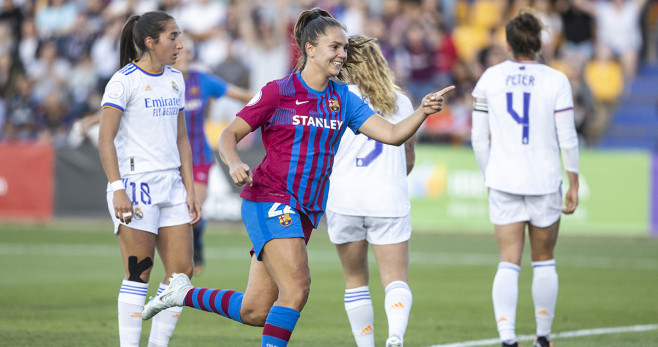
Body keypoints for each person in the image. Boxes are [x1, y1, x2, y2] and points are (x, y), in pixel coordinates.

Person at [141, 8, 453, 347]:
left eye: (345, 48)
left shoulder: (343, 99)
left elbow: (392, 134)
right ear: (310, 49)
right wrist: (233, 163)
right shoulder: (278, 92)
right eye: (335, 47)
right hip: (270, 199)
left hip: (305, 210)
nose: (342, 54)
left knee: (256, 310)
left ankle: (181, 293)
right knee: (297, 288)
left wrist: (422, 111)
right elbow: (228, 135)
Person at [470, 11, 579, 347]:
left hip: (504, 180)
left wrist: (489, 175)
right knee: (544, 260)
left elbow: (478, 138)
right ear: (539, 43)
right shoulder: (556, 80)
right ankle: (543, 337)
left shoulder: (490, 77)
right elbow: (568, 137)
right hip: (545, 180)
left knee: (508, 260)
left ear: (507, 44)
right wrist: (573, 181)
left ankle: (506, 338)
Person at [97, 11, 201, 347]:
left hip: (172, 185)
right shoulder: (123, 81)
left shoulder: (175, 78)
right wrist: (117, 188)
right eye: (173, 37)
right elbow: (105, 139)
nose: (180, 44)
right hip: (136, 184)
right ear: (149, 42)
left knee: (181, 273)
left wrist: (190, 189)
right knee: (139, 272)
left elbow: (182, 139)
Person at [325, 35, 415, 347]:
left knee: (355, 281)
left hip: (344, 199)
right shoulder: (400, 101)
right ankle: (395, 337)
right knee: (395, 279)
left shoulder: (334, 98)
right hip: (387, 199)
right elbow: (408, 159)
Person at [172, 37, 253, 275]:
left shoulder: (203, 81)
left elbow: (240, 95)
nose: (185, 55)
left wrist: (273, 101)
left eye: (189, 51)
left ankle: (196, 247)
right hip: (168, 160)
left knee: (193, 210)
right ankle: (177, 259)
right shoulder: (160, 82)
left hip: (198, 157)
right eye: (180, 51)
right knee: (175, 216)